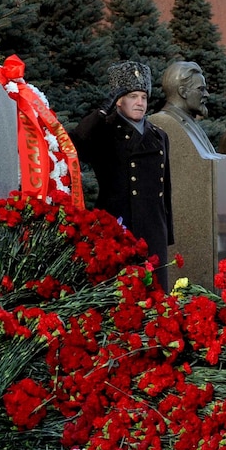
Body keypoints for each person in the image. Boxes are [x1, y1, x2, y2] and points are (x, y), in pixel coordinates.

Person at [70, 61, 174, 289]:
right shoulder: (104, 131)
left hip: (153, 231)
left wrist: (166, 233)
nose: (140, 103)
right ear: (118, 100)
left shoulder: (159, 135)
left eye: (144, 97)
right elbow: (74, 146)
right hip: (118, 228)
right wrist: (100, 113)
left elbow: (165, 192)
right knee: (122, 301)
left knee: (156, 298)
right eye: (133, 96)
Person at [157, 61, 215, 155]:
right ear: (183, 92)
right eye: (200, 89)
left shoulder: (188, 121)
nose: (206, 94)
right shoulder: (165, 121)